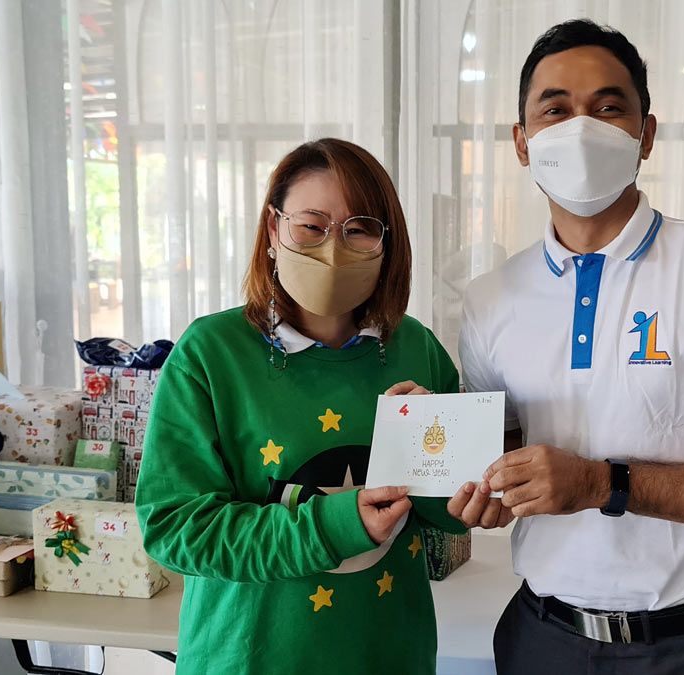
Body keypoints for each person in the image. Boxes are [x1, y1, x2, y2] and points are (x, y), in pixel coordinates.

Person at [446, 19, 684, 674]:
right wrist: (447, 462)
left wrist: (602, 483)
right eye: (555, 110)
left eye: (607, 107)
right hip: (542, 638)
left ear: (645, 134)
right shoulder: (490, 300)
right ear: (522, 142)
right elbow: (501, 463)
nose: (580, 129)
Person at [136, 138, 465, 674]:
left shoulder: (416, 348)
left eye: (359, 229)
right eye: (312, 226)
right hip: (249, 660)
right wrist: (333, 525)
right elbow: (174, 528)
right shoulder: (211, 354)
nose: (334, 248)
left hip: (388, 655)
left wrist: (464, 494)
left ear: (387, 244)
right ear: (273, 229)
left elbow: (444, 508)